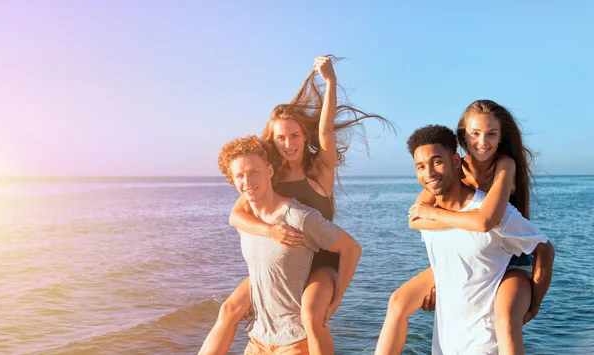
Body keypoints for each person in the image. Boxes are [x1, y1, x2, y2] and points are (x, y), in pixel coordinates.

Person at [199, 56, 392, 355]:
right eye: (280, 138)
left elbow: (327, 131)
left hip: (320, 263)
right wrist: (271, 231)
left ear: (304, 137)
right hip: (284, 264)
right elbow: (236, 216)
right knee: (229, 310)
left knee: (312, 317)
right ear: (271, 141)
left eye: (294, 136)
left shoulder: (319, 171)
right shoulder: (269, 176)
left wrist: (330, 83)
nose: (288, 144)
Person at [375, 100, 552, 355]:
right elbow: (414, 219)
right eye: (475, 134)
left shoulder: (504, 166)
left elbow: (484, 221)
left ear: (502, 137)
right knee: (398, 301)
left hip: (511, 258)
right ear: (463, 137)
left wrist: (535, 303)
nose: (483, 142)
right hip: (476, 252)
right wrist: (448, 280)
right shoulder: (453, 169)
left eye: (492, 134)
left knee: (505, 321)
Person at [212, 135, 362, 354]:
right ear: (232, 180)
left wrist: (336, 297)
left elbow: (351, 248)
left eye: (254, 172)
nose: (247, 181)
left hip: (294, 341)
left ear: (270, 171)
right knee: (227, 310)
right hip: (258, 340)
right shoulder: (245, 220)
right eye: (240, 176)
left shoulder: (299, 217)